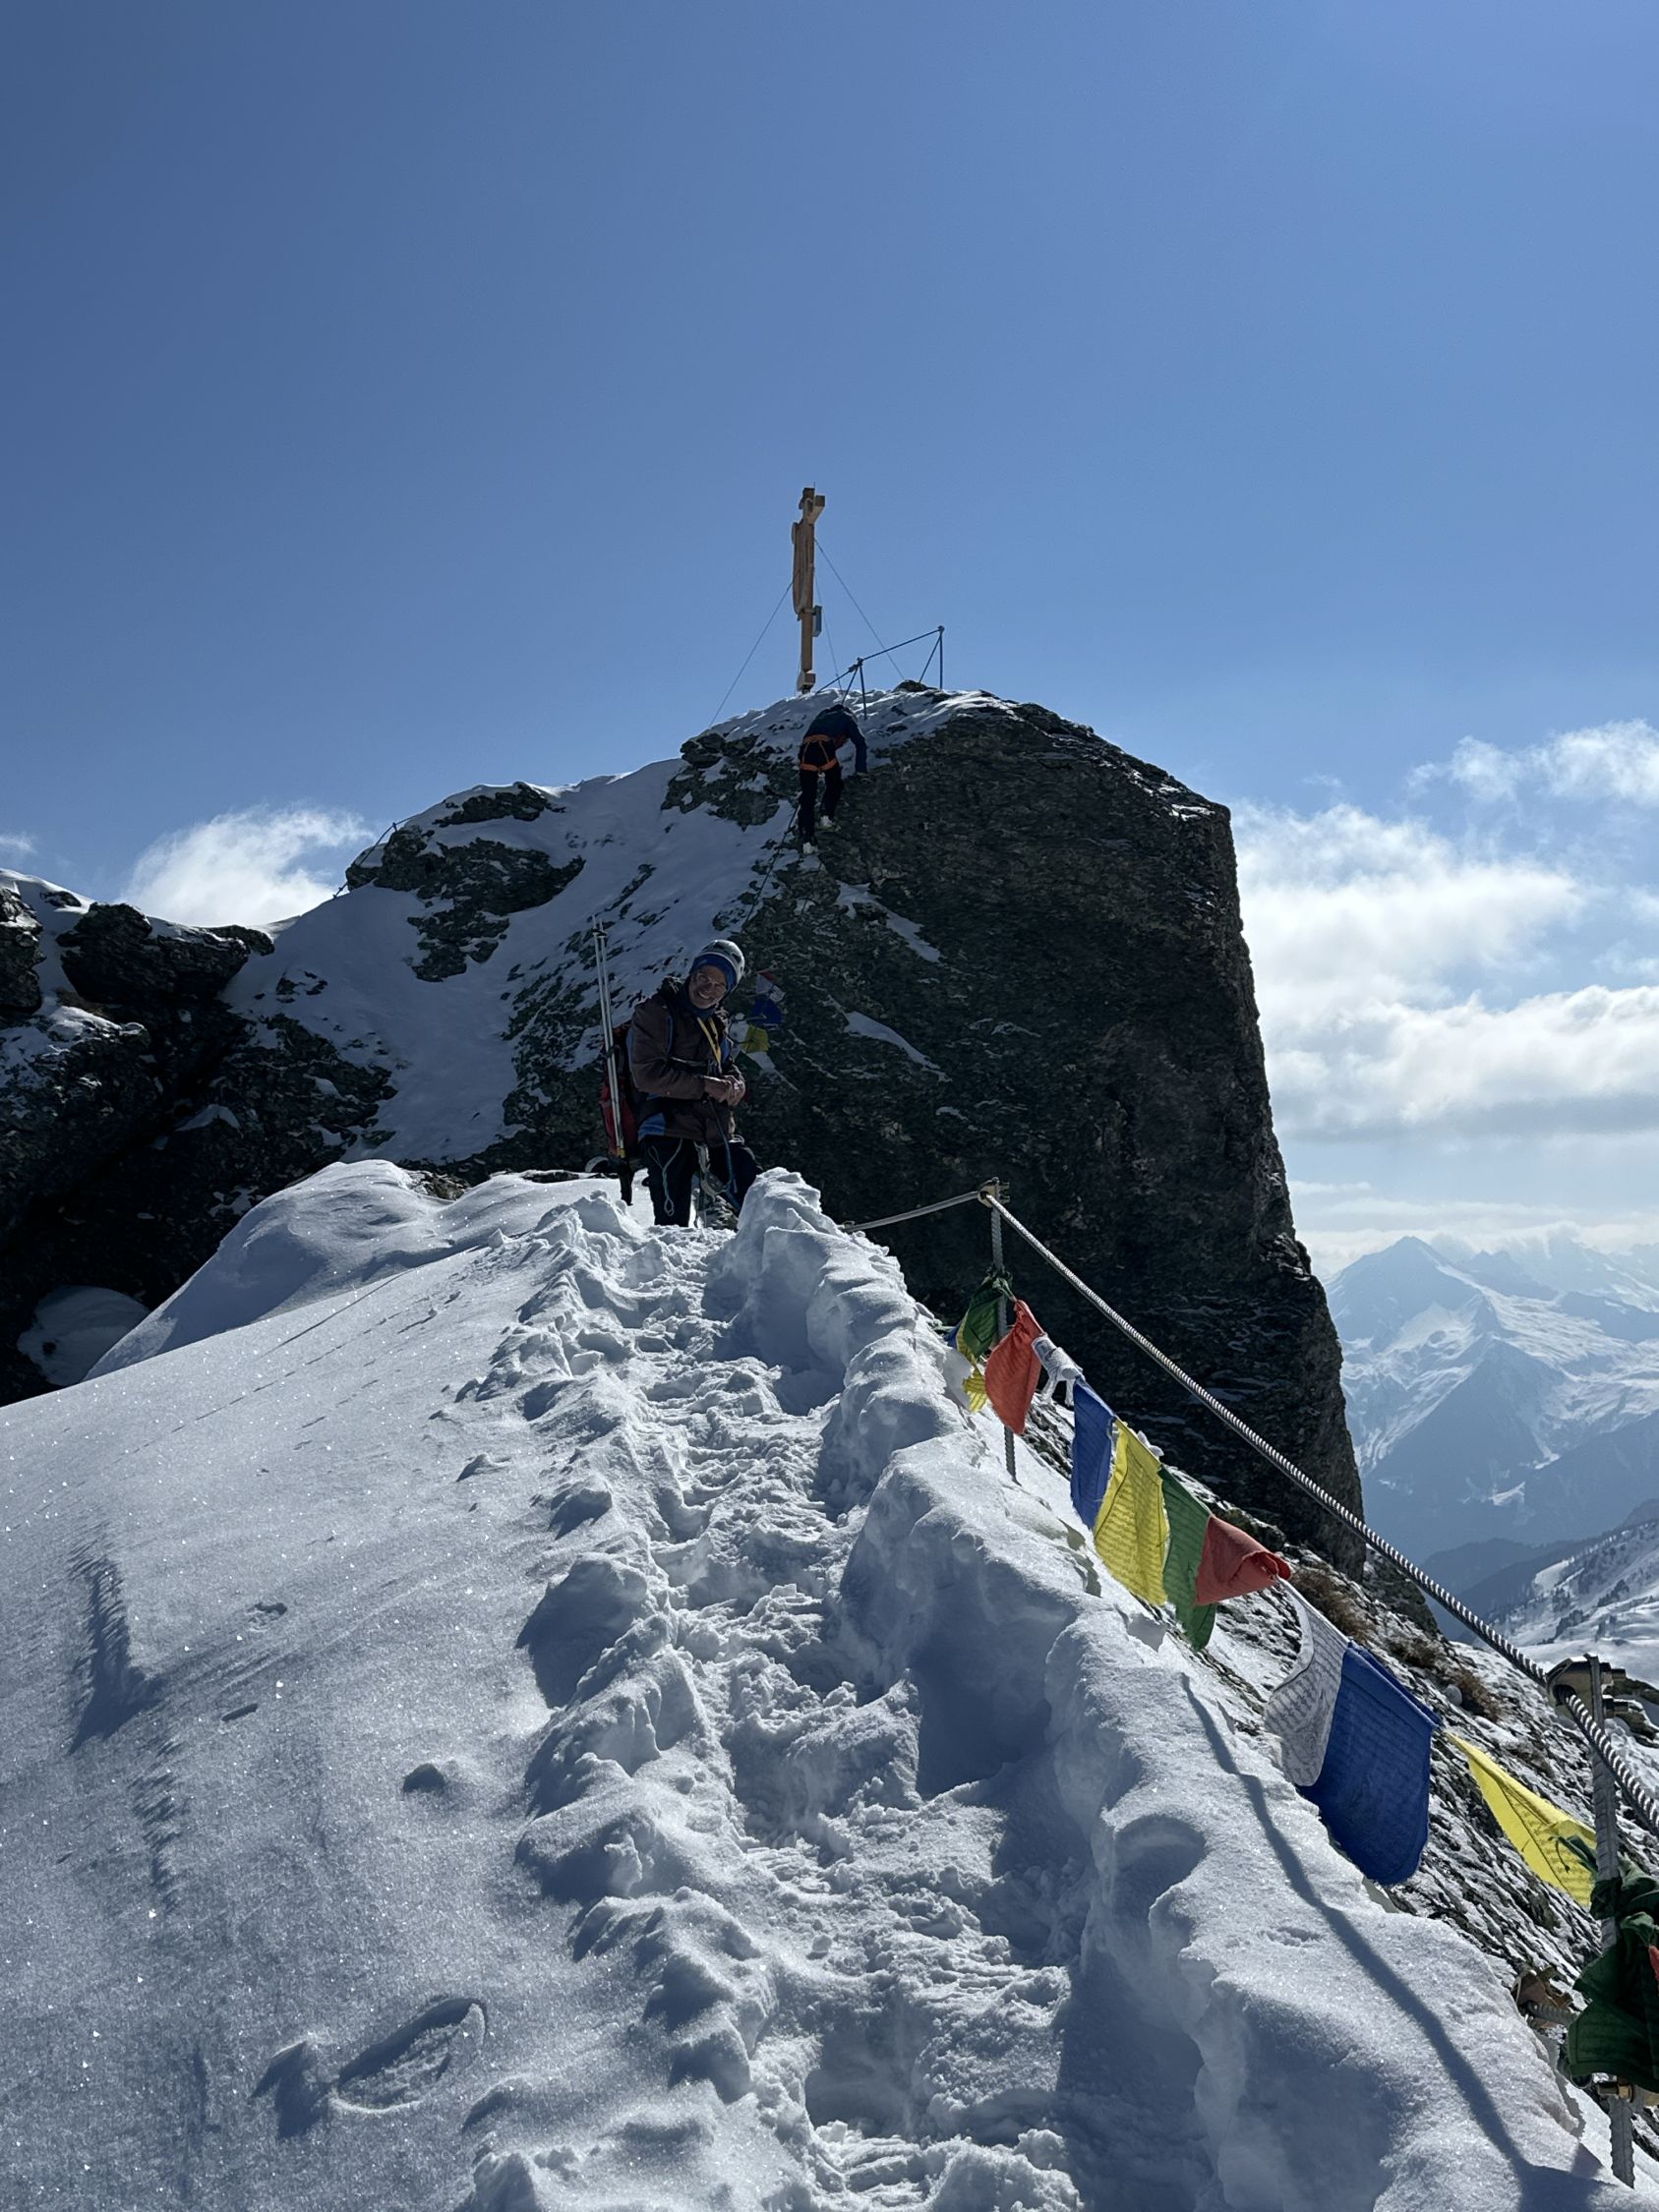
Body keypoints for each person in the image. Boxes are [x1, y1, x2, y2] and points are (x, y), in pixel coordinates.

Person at [627, 939, 759, 1227]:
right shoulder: (656, 1012)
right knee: (673, 1221)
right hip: (666, 1124)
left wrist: (736, 1084)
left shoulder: (715, 1022)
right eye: (703, 977)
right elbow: (647, 1075)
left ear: (727, 991)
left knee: (753, 1186)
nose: (708, 988)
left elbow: (726, 1066)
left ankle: (786, 1231)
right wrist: (707, 1085)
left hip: (713, 1127)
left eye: (718, 985)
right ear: (692, 973)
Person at [798, 700, 867, 853]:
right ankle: (826, 816)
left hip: (805, 750)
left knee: (808, 796)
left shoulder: (821, 717)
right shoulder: (847, 717)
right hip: (824, 747)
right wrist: (861, 770)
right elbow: (860, 742)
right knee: (834, 783)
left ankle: (807, 840)